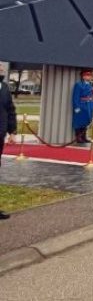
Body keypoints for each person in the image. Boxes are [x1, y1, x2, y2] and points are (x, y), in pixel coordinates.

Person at [0, 63, 17, 220]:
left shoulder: (4, 88)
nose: (2, 70)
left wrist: (12, 131)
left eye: (2, 68)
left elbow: (10, 110)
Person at [72, 69, 93, 144]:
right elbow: (75, 97)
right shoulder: (79, 85)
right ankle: (78, 137)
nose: (89, 76)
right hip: (82, 105)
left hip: (89, 105)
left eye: (90, 75)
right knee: (79, 121)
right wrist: (76, 107)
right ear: (83, 76)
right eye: (87, 75)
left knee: (87, 121)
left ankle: (84, 137)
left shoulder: (92, 85)